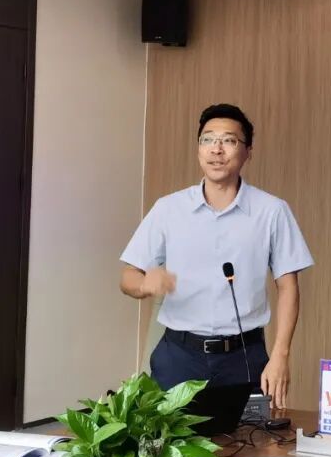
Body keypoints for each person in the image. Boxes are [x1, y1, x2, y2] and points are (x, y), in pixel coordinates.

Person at [119, 103, 313, 408]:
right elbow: (128, 276)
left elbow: (288, 286)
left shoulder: (272, 211)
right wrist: (144, 284)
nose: (216, 149)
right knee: (169, 437)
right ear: (199, 149)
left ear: (248, 152)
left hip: (244, 355)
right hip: (178, 356)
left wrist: (280, 355)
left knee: (249, 437)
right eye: (207, 139)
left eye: (229, 140)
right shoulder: (168, 209)